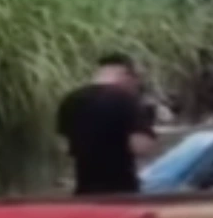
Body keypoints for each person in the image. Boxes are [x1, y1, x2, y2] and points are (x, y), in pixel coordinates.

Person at [56, 53, 157, 195]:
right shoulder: (127, 100)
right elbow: (141, 147)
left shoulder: (70, 100)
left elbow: (64, 147)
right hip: (122, 191)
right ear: (126, 75)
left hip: (84, 192)